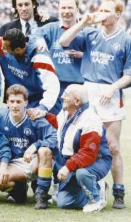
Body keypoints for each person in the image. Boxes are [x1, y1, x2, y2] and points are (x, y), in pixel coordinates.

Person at [59, 0, 131, 209]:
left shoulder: (126, 40)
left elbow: (129, 74)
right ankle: (88, 184)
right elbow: (63, 41)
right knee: (81, 142)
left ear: (117, 14)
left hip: (111, 92)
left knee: (113, 146)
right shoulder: (90, 33)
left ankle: (119, 191)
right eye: (101, 9)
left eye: (107, 11)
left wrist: (113, 87)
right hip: (89, 91)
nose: (101, 14)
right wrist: (83, 22)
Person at [43, 85, 112, 213]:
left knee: (83, 173)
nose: (62, 97)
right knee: (63, 202)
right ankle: (96, 187)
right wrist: (45, 115)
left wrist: (68, 167)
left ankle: (96, 199)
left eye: (66, 94)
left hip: (97, 160)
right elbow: (60, 124)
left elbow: (88, 154)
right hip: (77, 161)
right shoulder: (66, 112)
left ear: (77, 101)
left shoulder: (91, 120)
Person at [0, 84, 57, 209]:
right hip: (13, 162)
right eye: (12, 101)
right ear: (7, 103)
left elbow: (55, 137)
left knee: (45, 151)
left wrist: (35, 146)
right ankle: (19, 188)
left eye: (19, 101)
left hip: (34, 161)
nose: (15, 105)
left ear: (26, 103)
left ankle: (41, 195)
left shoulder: (34, 118)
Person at [0, 29, 61, 116]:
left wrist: (42, 108)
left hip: (38, 101)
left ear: (17, 50)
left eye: (6, 49)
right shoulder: (4, 43)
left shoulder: (40, 58)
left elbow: (52, 87)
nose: (2, 48)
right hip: (18, 100)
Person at [39, 0, 84, 97]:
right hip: (54, 86)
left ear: (77, 10)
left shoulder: (87, 31)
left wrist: (83, 55)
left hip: (79, 86)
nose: (66, 11)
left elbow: (95, 54)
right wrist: (39, 38)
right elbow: (32, 36)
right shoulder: (49, 29)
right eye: (63, 8)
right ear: (58, 10)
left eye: (70, 8)